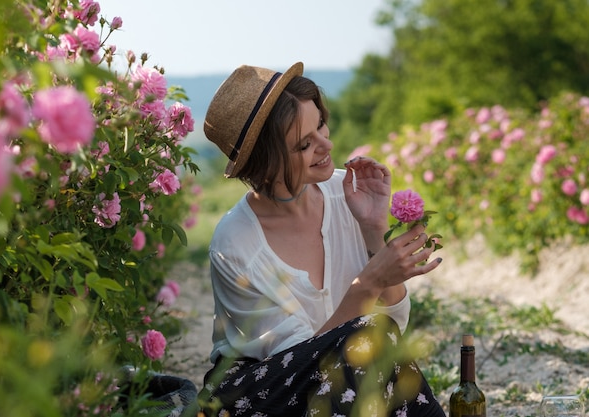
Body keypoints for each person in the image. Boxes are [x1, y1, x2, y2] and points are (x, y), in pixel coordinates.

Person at [184, 62, 445, 417]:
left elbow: (394, 323)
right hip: (259, 395)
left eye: (320, 123)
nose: (327, 144)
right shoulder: (236, 243)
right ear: (265, 164)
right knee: (365, 337)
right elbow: (306, 363)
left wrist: (372, 228)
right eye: (305, 144)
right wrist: (365, 286)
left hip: (344, 382)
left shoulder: (345, 193)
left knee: (373, 339)